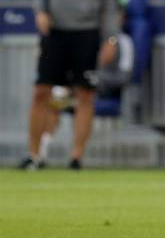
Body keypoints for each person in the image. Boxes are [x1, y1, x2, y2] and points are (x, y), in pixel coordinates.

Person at [20, 0, 121, 171]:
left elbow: (111, 3)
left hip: (86, 34)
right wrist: (40, 12)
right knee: (41, 91)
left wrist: (110, 39)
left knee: (84, 95)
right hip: (55, 35)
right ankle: (34, 155)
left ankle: (76, 157)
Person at [36, 33, 134, 164]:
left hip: (102, 91)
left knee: (85, 98)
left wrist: (95, 81)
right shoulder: (80, 37)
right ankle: (41, 153)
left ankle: (76, 157)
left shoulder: (123, 41)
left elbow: (124, 77)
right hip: (74, 90)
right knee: (57, 97)